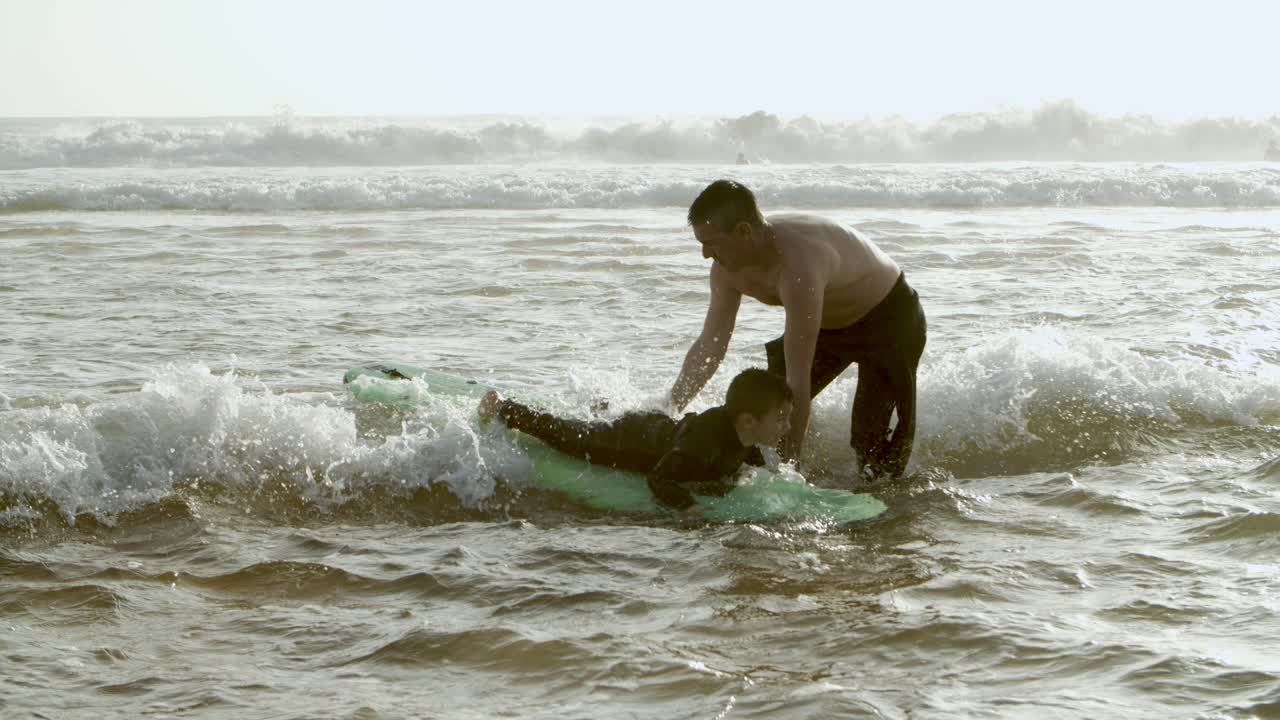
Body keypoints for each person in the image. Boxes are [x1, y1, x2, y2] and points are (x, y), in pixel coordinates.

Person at [670, 179, 926, 481]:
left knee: (871, 441)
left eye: (711, 243)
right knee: (762, 405)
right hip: (829, 324)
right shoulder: (726, 269)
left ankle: (884, 496)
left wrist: (790, 473)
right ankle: (754, 466)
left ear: (743, 231)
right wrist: (671, 406)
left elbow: (798, 378)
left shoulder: (798, 267)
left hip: (889, 321)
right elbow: (710, 345)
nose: (704, 254)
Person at [477, 368, 793, 515]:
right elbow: (659, 478)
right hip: (629, 440)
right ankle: (503, 407)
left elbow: (741, 465)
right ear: (748, 421)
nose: (787, 427)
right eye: (780, 419)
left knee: (585, 425)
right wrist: (688, 507)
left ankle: (601, 409)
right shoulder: (703, 444)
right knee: (567, 435)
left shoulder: (746, 440)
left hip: (659, 428)